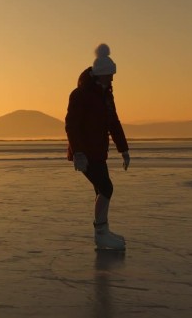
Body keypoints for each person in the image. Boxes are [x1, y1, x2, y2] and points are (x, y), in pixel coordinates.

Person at [65, 43, 130, 250]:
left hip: (99, 152)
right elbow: (71, 126)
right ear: (100, 74)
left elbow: (113, 122)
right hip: (86, 153)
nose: (112, 78)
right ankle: (101, 233)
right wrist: (78, 153)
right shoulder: (80, 95)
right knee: (106, 188)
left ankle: (102, 232)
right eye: (110, 75)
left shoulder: (106, 95)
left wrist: (123, 149)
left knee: (101, 190)